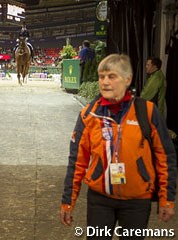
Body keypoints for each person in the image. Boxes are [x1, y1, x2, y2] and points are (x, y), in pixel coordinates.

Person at [60, 54, 177, 239]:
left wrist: (167, 199)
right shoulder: (88, 115)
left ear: (127, 79)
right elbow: (76, 162)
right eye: (101, 76)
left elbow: (165, 156)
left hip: (137, 201)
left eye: (111, 76)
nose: (104, 82)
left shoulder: (146, 112)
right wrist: (68, 202)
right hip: (100, 200)